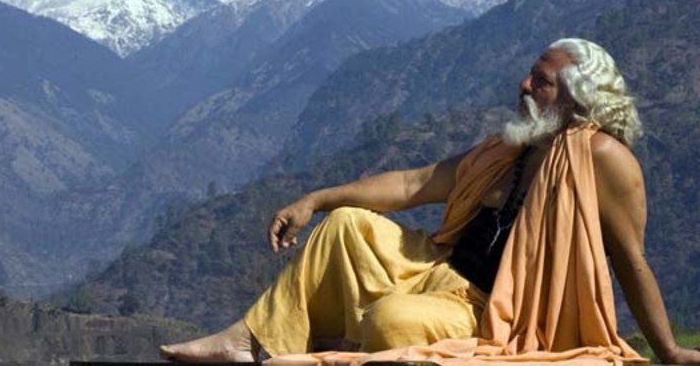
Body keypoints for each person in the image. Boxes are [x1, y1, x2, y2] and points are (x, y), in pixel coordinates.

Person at [160, 38, 700, 365]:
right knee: (345, 224)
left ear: (577, 97)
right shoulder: (515, 145)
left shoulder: (605, 159)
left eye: (540, 81)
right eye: (529, 74)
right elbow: (413, 185)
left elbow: (631, 260)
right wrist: (316, 199)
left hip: (498, 315)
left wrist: (670, 352)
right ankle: (250, 341)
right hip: (441, 272)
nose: (523, 84)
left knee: (392, 320)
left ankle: (334, 344)